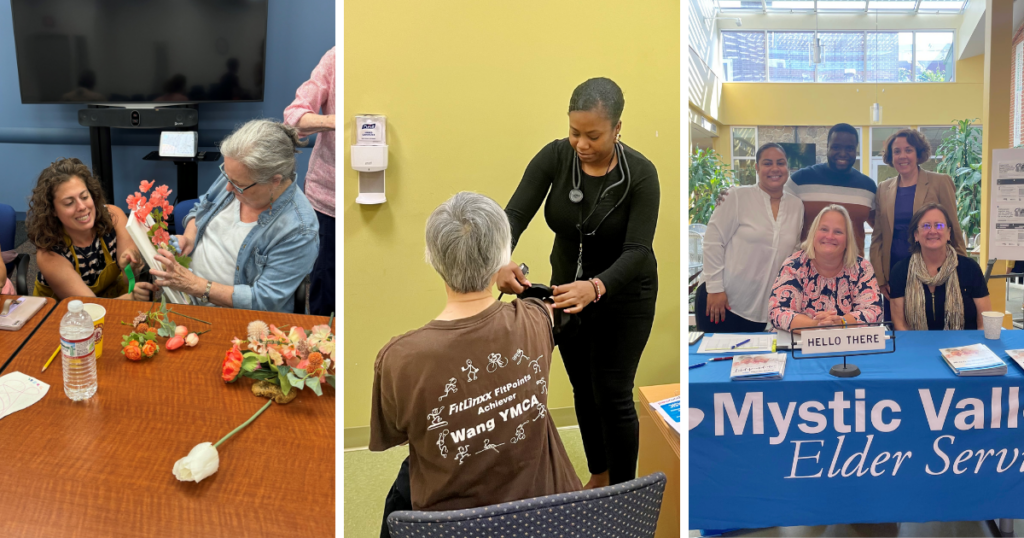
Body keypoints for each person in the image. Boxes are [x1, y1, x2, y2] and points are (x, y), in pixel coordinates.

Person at [371, 192, 581, 536]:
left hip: (451, 527)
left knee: (405, 482)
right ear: (503, 257)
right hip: (547, 518)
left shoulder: (399, 358)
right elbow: (543, 305)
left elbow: (397, 432)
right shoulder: (537, 319)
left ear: (432, 257)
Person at [500, 77, 659, 488]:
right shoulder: (555, 157)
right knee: (583, 390)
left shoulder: (641, 174)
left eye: (593, 135)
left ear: (617, 128)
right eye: (575, 132)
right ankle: (600, 474)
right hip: (567, 293)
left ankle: (624, 494)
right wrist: (500, 259)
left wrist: (597, 287)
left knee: (612, 393)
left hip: (625, 294)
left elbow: (638, 250)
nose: (581, 144)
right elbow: (513, 216)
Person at [148, 119, 319, 313]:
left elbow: (264, 300)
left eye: (237, 184)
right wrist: (189, 237)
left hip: (233, 315)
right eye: (226, 176)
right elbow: (201, 209)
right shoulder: (239, 174)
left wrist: (196, 285)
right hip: (185, 295)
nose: (228, 187)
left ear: (275, 181)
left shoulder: (299, 229)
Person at [697, 143, 803, 332]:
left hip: (765, 308)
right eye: (767, 163)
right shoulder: (736, 196)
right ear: (756, 167)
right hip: (724, 302)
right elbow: (713, 241)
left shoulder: (796, 206)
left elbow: (793, 254)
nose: (775, 169)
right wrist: (714, 289)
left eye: (781, 163)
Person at [869, 129, 966, 321]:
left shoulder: (940, 182)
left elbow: (952, 228)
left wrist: (961, 270)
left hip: (933, 271)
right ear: (891, 156)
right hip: (894, 271)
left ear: (918, 153)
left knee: (932, 325)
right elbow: (877, 237)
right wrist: (879, 279)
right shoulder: (883, 188)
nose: (902, 156)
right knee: (898, 328)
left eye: (908, 150)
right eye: (897, 151)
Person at [27, 158, 158, 301]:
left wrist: (129, 269)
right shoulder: (50, 253)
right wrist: (132, 298)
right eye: (69, 203)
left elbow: (129, 282)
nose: (82, 207)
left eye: (84, 196)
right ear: (52, 210)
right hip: (66, 313)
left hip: (111, 297)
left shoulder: (113, 218)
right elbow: (90, 307)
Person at [769, 204, 883, 332]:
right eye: (824, 229)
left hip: (847, 346)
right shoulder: (794, 265)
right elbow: (777, 311)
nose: (829, 236)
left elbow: (874, 312)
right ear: (813, 233)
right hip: (798, 345)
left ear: (847, 239)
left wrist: (841, 323)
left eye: (838, 232)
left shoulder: (862, 268)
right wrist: (816, 325)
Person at [284, 46, 335, 317]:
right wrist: (334, 121)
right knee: (325, 292)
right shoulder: (337, 58)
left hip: (384, 199)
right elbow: (294, 118)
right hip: (329, 201)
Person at [889, 203, 990, 331]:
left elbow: (984, 322)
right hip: (917, 346)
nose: (932, 231)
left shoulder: (970, 268)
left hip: (965, 347)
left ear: (948, 233)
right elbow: (900, 325)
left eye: (939, 225)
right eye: (926, 226)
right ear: (916, 235)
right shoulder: (900, 271)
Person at [786, 124, 877, 255]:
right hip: (808, 269)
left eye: (849, 148)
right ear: (827, 147)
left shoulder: (868, 187)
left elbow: (880, 230)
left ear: (856, 150)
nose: (843, 153)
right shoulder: (799, 181)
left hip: (853, 270)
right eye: (836, 147)